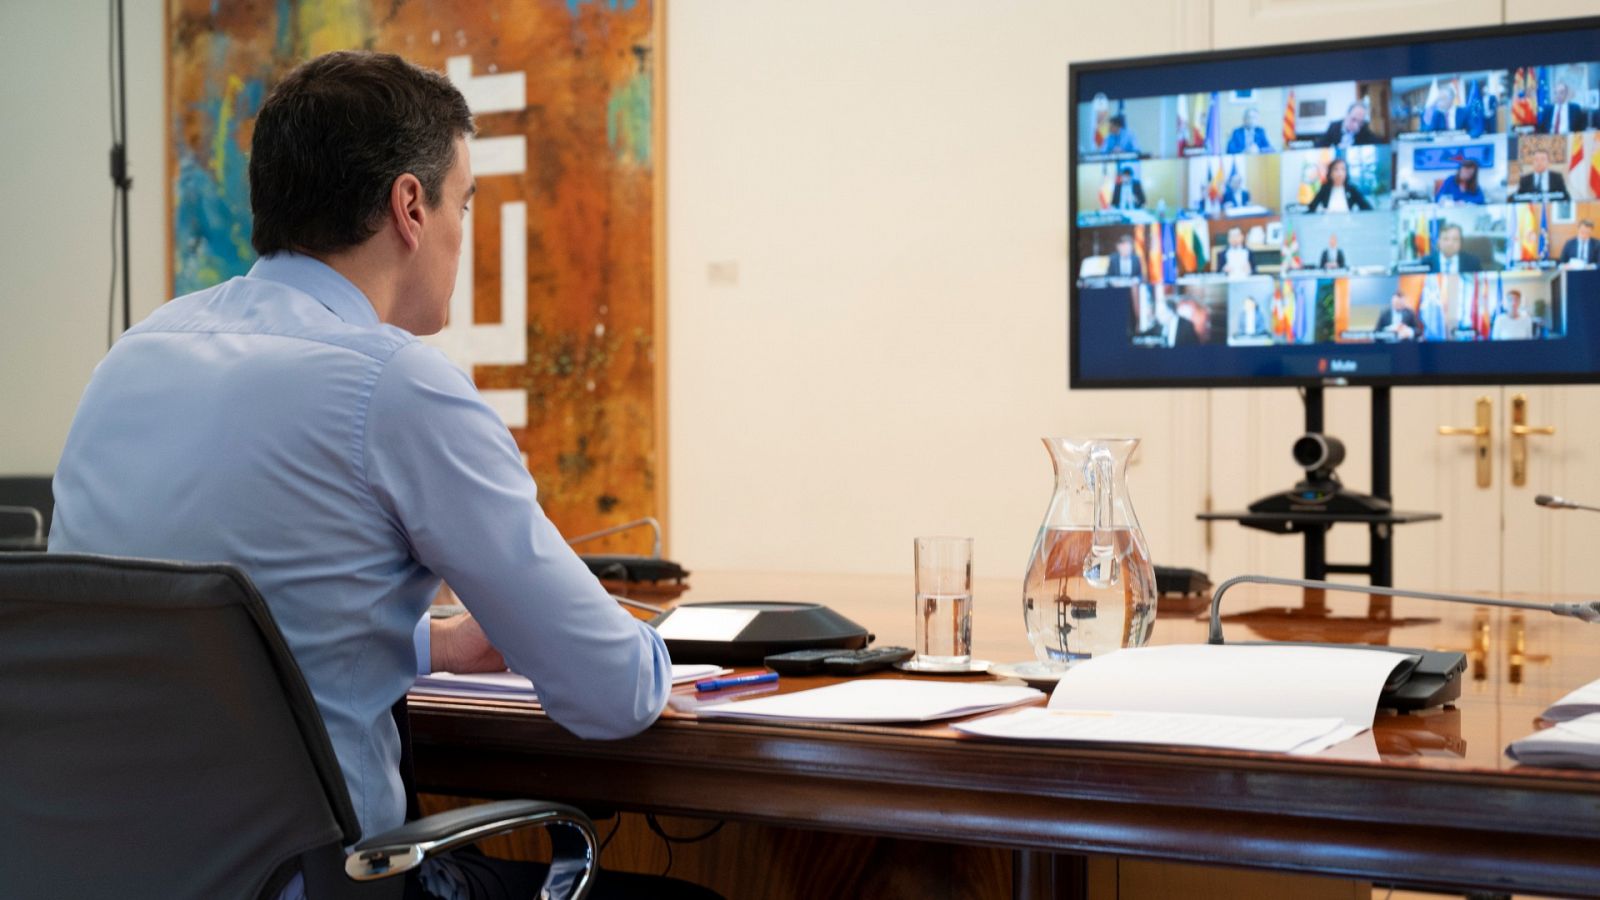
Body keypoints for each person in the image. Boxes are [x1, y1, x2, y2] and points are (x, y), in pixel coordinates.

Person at [46, 51, 712, 900]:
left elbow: (198, 627)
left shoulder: (131, 360)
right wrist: (662, 652)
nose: (462, 232)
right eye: (463, 203)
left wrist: (428, 642)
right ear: (410, 207)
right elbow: (609, 695)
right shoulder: (393, 384)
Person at [1306, 158, 1373, 212]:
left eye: (1343, 169)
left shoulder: (1352, 189)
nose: (1340, 173)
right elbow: (1312, 207)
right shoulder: (1325, 188)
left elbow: (1367, 208)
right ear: (1330, 173)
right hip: (1328, 222)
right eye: (1336, 169)